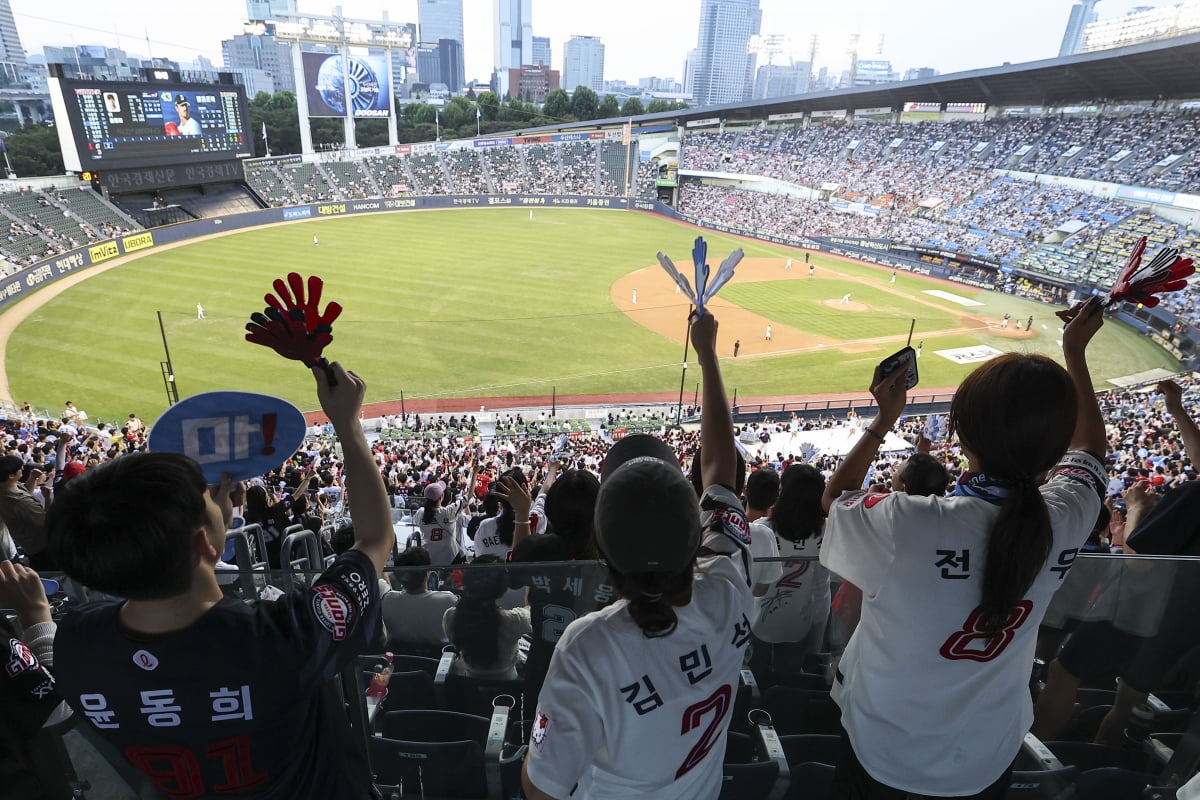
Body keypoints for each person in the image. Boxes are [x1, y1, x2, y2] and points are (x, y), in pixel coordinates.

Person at [47, 360, 393, 800]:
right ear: (204, 543)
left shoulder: (76, 644)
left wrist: (211, 522)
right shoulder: (286, 635)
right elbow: (374, 539)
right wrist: (348, 424)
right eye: (205, 496)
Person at [817, 296, 1107, 798]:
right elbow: (1090, 454)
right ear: (1055, 447)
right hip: (986, 757)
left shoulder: (908, 520)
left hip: (884, 748)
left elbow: (834, 500)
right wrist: (1075, 355)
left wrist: (883, 420)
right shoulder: (1068, 514)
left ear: (960, 435)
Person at [522, 310, 753, 800]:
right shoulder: (730, 587)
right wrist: (708, 354)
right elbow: (721, 472)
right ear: (694, 537)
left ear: (602, 549)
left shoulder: (588, 646)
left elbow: (541, 788)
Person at [750, 464, 831, 680]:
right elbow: (821, 588)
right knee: (789, 680)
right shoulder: (826, 530)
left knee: (756, 678)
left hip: (758, 620)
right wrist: (817, 633)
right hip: (799, 623)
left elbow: (752, 583)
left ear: (783, 491)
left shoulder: (762, 528)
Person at [444, 555, 531, 680]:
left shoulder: (451, 617)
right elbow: (528, 609)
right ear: (501, 588)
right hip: (508, 685)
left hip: (468, 684)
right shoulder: (515, 621)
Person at [382, 546, 458, 657]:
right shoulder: (448, 600)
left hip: (400, 663)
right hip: (437, 663)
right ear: (428, 573)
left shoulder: (388, 600)